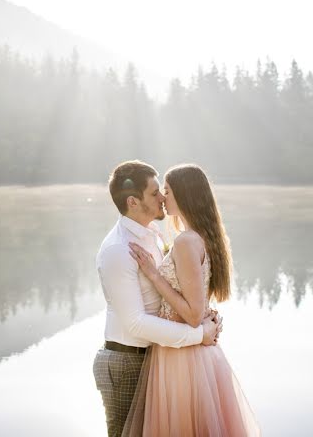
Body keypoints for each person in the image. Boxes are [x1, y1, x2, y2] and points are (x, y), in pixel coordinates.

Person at [123, 163, 259, 436]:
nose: (163, 197)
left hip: (182, 358)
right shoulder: (202, 238)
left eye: (168, 191)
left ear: (184, 196)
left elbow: (194, 314)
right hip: (192, 353)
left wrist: (153, 274)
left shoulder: (186, 242)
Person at [94, 160, 222, 437]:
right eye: (155, 193)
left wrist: (203, 314)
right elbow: (136, 324)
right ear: (133, 201)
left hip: (155, 357)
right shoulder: (118, 250)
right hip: (126, 362)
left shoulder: (152, 234)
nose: (163, 198)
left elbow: (180, 288)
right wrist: (198, 334)